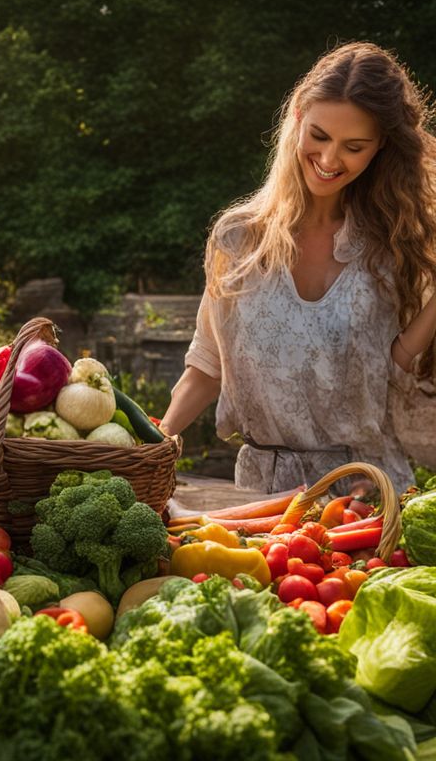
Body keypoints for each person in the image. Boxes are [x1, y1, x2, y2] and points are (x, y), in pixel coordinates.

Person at [161, 42, 436, 494]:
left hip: (367, 491)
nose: (329, 160)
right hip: (260, 495)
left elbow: (393, 370)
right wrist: (152, 444)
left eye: (354, 146)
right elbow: (209, 365)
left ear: (379, 148)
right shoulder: (237, 238)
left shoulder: (393, 245)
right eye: (320, 136)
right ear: (297, 117)